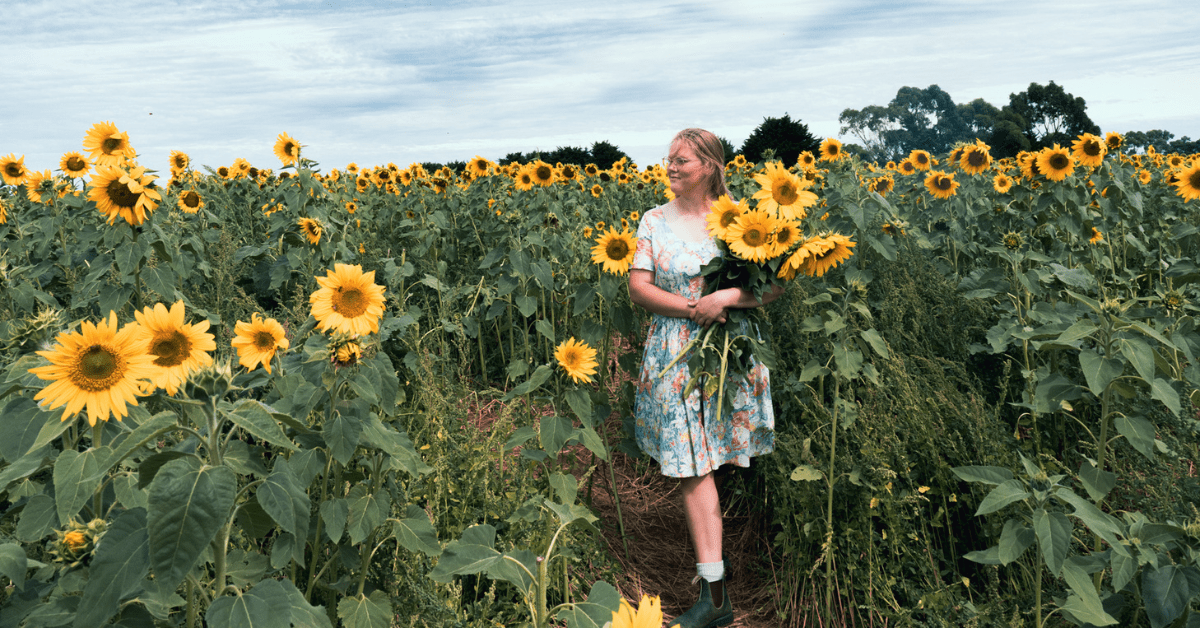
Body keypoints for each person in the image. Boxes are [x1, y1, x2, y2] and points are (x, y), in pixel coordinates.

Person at [628, 128, 780, 628]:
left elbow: (776, 281)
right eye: (667, 160)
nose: (670, 168)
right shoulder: (654, 220)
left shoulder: (739, 222)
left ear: (710, 166)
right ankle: (715, 595)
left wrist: (729, 298)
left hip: (729, 354)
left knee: (712, 458)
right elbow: (640, 288)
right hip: (675, 355)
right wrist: (695, 306)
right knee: (693, 464)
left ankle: (720, 566)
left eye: (682, 161)